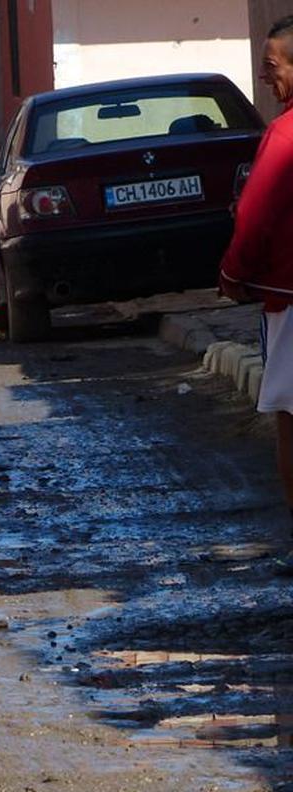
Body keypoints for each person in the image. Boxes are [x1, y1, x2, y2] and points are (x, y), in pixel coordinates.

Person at [219, 15, 293, 574]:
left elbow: (255, 212)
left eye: (271, 67)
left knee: (290, 416)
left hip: (288, 299)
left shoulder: (284, 135)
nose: (266, 79)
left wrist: (233, 273)